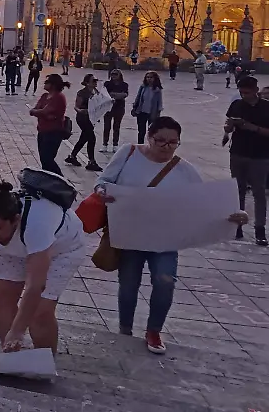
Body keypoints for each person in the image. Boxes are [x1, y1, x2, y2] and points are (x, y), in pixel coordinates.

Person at [94, 117, 250, 354]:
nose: (166, 147)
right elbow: (103, 181)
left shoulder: (185, 170)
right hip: (130, 235)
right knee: (128, 285)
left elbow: (205, 204)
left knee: (165, 282)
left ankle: (154, 330)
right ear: (149, 136)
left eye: (173, 143)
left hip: (164, 239)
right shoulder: (128, 153)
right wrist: (101, 191)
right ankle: (125, 329)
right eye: (161, 141)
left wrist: (234, 215)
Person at [0, 175, 86, 354]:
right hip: (19, 247)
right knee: (1, 291)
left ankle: (45, 362)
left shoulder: (37, 223)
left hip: (62, 249)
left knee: (39, 312)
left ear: (15, 220)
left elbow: (35, 285)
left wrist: (17, 331)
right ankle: (13, 358)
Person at [225, 76, 269, 245]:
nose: (244, 96)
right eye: (242, 93)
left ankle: (260, 228)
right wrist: (229, 127)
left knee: (259, 192)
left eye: (247, 93)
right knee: (238, 190)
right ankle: (237, 226)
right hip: (238, 152)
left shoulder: (266, 107)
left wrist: (253, 128)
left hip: (260, 155)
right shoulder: (237, 105)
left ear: (256, 90)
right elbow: (228, 126)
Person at [30, 74, 69, 175]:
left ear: (53, 84)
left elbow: (44, 111)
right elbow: (34, 110)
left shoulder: (59, 97)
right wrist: (42, 113)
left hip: (54, 132)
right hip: (42, 131)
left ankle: (61, 180)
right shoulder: (44, 96)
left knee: (48, 159)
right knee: (44, 160)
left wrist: (40, 112)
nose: (44, 83)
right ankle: (49, 182)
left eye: (47, 82)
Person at [65, 74, 103, 171]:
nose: (95, 82)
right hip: (83, 118)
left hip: (91, 119)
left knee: (84, 138)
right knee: (92, 138)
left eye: (96, 80)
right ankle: (91, 161)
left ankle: (72, 156)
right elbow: (76, 106)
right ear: (87, 82)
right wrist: (81, 110)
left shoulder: (96, 92)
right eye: (93, 81)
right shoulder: (82, 93)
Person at [131, 71, 163, 144]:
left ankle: (151, 146)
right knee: (141, 131)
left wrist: (158, 113)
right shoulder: (143, 87)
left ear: (155, 79)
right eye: (147, 77)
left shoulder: (157, 90)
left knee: (152, 132)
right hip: (141, 112)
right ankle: (140, 145)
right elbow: (138, 97)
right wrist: (135, 107)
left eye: (151, 77)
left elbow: (159, 102)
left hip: (152, 113)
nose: (149, 79)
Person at [101, 70, 129, 153]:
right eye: (112, 74)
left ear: (120, 75)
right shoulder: (107, 84)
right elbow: (105, 94)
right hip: (108, 107)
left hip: (119, 108)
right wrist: (118, 95)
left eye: (115, 74)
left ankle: (115, 144)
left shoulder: (124, 84)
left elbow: (125, 94)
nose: (113, 76)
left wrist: (114, 95)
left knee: (116, 126)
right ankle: (104, 144)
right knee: (106, 127)